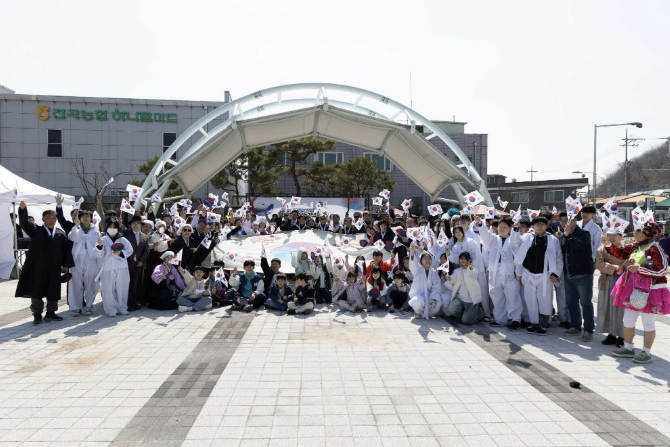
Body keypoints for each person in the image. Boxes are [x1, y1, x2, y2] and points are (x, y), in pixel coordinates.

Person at [607, 221, 670, 364]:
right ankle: (628, 347)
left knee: (648, 323)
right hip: (633, 288)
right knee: (628, 320)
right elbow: (620, 253)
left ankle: (646, 352)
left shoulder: (655, 249)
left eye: (635, 231)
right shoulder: (636, 246)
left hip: (652, 291)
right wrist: (608, 244)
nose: (633, 233)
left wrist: (640, 268)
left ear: (641, 233)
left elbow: (662, 270)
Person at [15, 201, 74, 325]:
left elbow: (66, 250)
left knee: (53, 290)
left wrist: (66, 265)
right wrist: (23, 210)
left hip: (54, 268)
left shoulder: (60, 234)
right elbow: (24, 223)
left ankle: (51, 313)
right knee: (37, 290)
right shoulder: (36, 230)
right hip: (37, 267)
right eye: (48, 217)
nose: (51, 220)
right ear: (43, 219)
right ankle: (37, 314)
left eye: (53, 218)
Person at [514, 216, 561, 336]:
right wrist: (519, 273)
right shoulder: (526, 237)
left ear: (546, 226)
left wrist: (555, 273)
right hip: (528, 273)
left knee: (545, 300)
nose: (540, 226)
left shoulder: (552, 239)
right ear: (533, 226)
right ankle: (533, 323)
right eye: (537, 224)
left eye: (542, 224)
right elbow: (515, 248)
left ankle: (543, 324)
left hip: (545, 275)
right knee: (530, 300)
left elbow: (558, 257)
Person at [475, 216, 523, 331]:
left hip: (509, 272)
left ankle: (515, 319)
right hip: (495, 272)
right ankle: (500, 319)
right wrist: (480, 224)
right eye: (500, 227)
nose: (502, 229)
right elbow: (485, 236)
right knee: (496, 295)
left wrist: (519, 273)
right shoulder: (493, 239)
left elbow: (519, 256)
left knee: (512, 296)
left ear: (510, 228)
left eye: (505, 227)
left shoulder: (514, 240)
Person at [560, 216, 596, 342]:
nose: (565, 222)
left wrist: (568, 235)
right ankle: (575, 326)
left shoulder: (584, 234)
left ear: (575, 220)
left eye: (568, 219)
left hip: (583, 275)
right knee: (571, 302)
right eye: (562, 220)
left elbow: (579, 245)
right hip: (568, 275)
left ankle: (588, 330)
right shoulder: (563, 235)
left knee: (585, 303)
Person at [92, 218, 134, 317]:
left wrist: (121, 253)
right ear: (106, 227)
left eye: (114, 227)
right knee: (108, 289)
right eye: (110, 227)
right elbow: (97, 254)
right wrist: (99, 246)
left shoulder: (122, 239)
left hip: (121, 266)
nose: (112, 229)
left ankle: (122, 308)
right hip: (107, 267)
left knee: (122, 287)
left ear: (117, 228)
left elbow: (130, 250)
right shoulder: (102, 239)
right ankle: (110, 309)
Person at [67, 210, 102, 316]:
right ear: (80, 218)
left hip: (91, 258)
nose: (85, 218)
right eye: (83, 216)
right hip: (78, 258)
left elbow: (99, 245)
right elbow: (73, 238)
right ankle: (76, 307)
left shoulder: (95, 230)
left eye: (87, 216)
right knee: (76, 283)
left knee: (91, 283)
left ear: (91, 218)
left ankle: (89, 306)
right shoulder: (76, 228)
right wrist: (77, 226)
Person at [595, 228, 626, 347]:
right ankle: (611, 334)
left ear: (621, 236)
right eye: (609, 235)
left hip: (623, 281)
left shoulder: (626, 249)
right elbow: (598, 264)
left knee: (620, 309)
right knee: (606, 307)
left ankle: (622, 335)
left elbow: (629, 263)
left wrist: (619, 268)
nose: (611, 238)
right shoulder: (602, 249)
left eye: (615, 235)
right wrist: (616, 267)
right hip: (606, 279)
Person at [445, 252, 485, 324]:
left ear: (469, 260)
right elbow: (453, 278)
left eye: (464, 258)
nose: (462, 260)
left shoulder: (474, 269)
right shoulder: (458, 271)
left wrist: (470, 269)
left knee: (466, 321)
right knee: (451, 309)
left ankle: (479, 312)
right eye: (461, 258)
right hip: (460, 299)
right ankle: (466, 314)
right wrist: (450, 278)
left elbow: (473, 274)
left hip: (471, 301)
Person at [408, 245, 444, 319]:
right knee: (416, 301)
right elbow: (413, 265)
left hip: (430, 295)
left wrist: (433, 298)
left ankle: (428, 313)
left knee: (438, 303)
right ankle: (418, 312)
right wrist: (412, 253)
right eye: (425, 259)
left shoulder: (434, 272)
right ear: (421, 261)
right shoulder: (418, 270)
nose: (427, 261)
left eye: (429, 259)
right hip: (419, 294)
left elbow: (436, 287)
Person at [123, 215, 150, 311]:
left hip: (138, 264)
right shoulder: (125, 234)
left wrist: (142, 261)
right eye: (134, 223)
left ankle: (134, 302)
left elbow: (146, 250)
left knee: (136, 284)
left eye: (138, 223)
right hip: (127, 262)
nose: (136, 225)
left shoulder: (145, 237)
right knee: (127, 283)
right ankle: (128, 303)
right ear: (130, 225)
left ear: (141, 225)